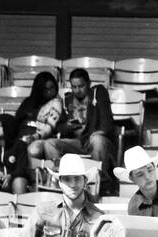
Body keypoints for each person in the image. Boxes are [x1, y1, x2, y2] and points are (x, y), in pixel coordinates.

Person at [30, 68, 117, 197]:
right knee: (49, 144)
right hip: (77, 143)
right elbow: (59, 128)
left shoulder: (98, 93)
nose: (77, 90)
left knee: (97, 140)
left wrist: (98, 133)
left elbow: (107, 123)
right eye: (74, 87)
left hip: (96, 141)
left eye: (81, 86)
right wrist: (67, 126)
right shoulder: (67, 100)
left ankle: (100, 183)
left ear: (89, 83)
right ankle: (63, 181)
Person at [0, 113, 29, 196]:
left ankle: (19, 207)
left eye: (0, 126)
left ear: (8, 127)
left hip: (13, 179)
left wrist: (10, 176)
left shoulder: (20, 145)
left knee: (19, 182)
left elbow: (22, 168)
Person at [15, 72, 61, 147]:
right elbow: (17, 121)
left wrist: (34, 137)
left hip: (42, 140)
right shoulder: (28, 102)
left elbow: (52, 128)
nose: (49, 92)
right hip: (22, 137)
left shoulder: (57, 104)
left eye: (52, 88)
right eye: (46, 89)